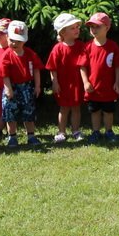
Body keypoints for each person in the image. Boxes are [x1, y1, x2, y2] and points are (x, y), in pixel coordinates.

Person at [79, 12, 119, 143]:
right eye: (91, 26)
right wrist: (86, 82)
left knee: (108, 111)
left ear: (107, 28)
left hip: (108, 88)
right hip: (93, 88)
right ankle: (96, 131)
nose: (93, 29)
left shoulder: (113, 46)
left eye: (97, 26)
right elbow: (82, 66)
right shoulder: (88, 46)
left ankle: (109, 131)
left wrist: (118, 83)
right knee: (95, 111)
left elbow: (118, 67)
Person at [0, 21, 43, 147]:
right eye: (12, 40)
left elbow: (36, 69)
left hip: (27, 87)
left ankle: (31, 136)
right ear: (7, 38)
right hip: (11, 87)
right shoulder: (6, 55)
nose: (14, 43)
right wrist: (8, 89)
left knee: (28, 112)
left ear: (24, 41)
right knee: (10, 113)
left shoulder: (30, 54)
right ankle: (12, 137)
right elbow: (4, 74)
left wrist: (37, 85)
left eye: (18, 41)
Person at [46, 13, 85, 143]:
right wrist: (55, 82)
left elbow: (83, 65)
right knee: (64, 108)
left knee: (76, 108)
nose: (77, 30)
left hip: (76, 83)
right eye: (72, 28)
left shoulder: (80, 46)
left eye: (77, 27)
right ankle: (61, 132)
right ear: (63, 32)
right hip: (63, 83)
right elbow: (52, 67)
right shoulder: (58, 48)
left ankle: (76, 131)